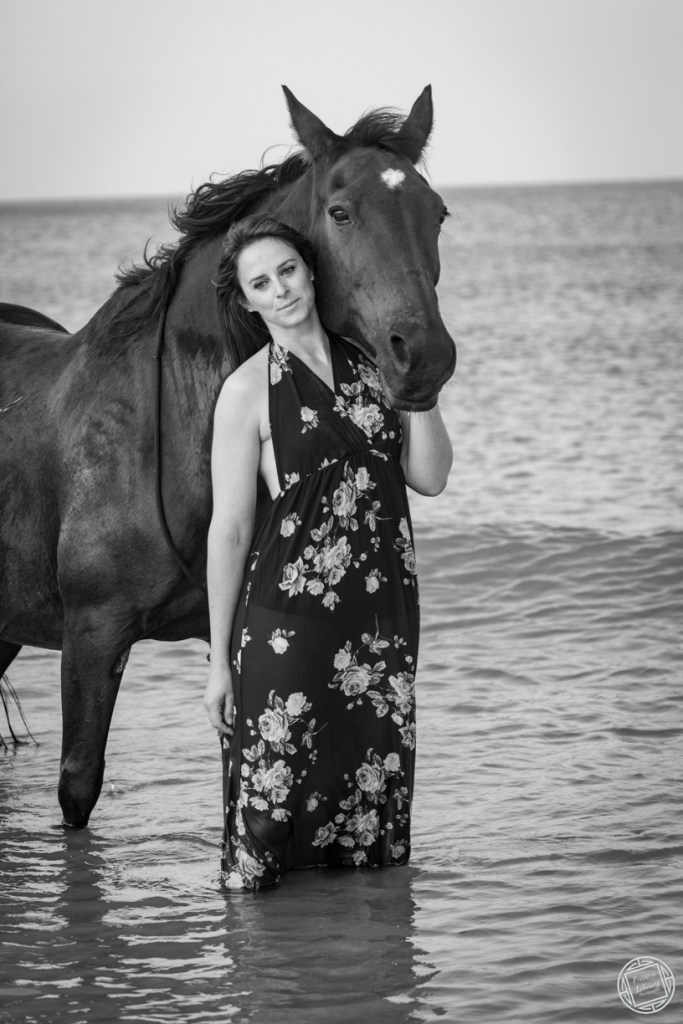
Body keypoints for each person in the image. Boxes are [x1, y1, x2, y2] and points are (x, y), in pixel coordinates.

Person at [204, 215, 452, 891]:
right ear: (247, 302)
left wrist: (418, 386)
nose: (280, 289)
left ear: (311, 272)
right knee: (271, 802)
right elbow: (230, 530)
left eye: (287, 270)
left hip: (381, 624)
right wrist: (219, 662)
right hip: (289, 626)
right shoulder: (246, 390)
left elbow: (429, 477)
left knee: (370, 801)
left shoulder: (375, 363)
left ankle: (357, 948)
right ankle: (257, 947)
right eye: (261, 283)